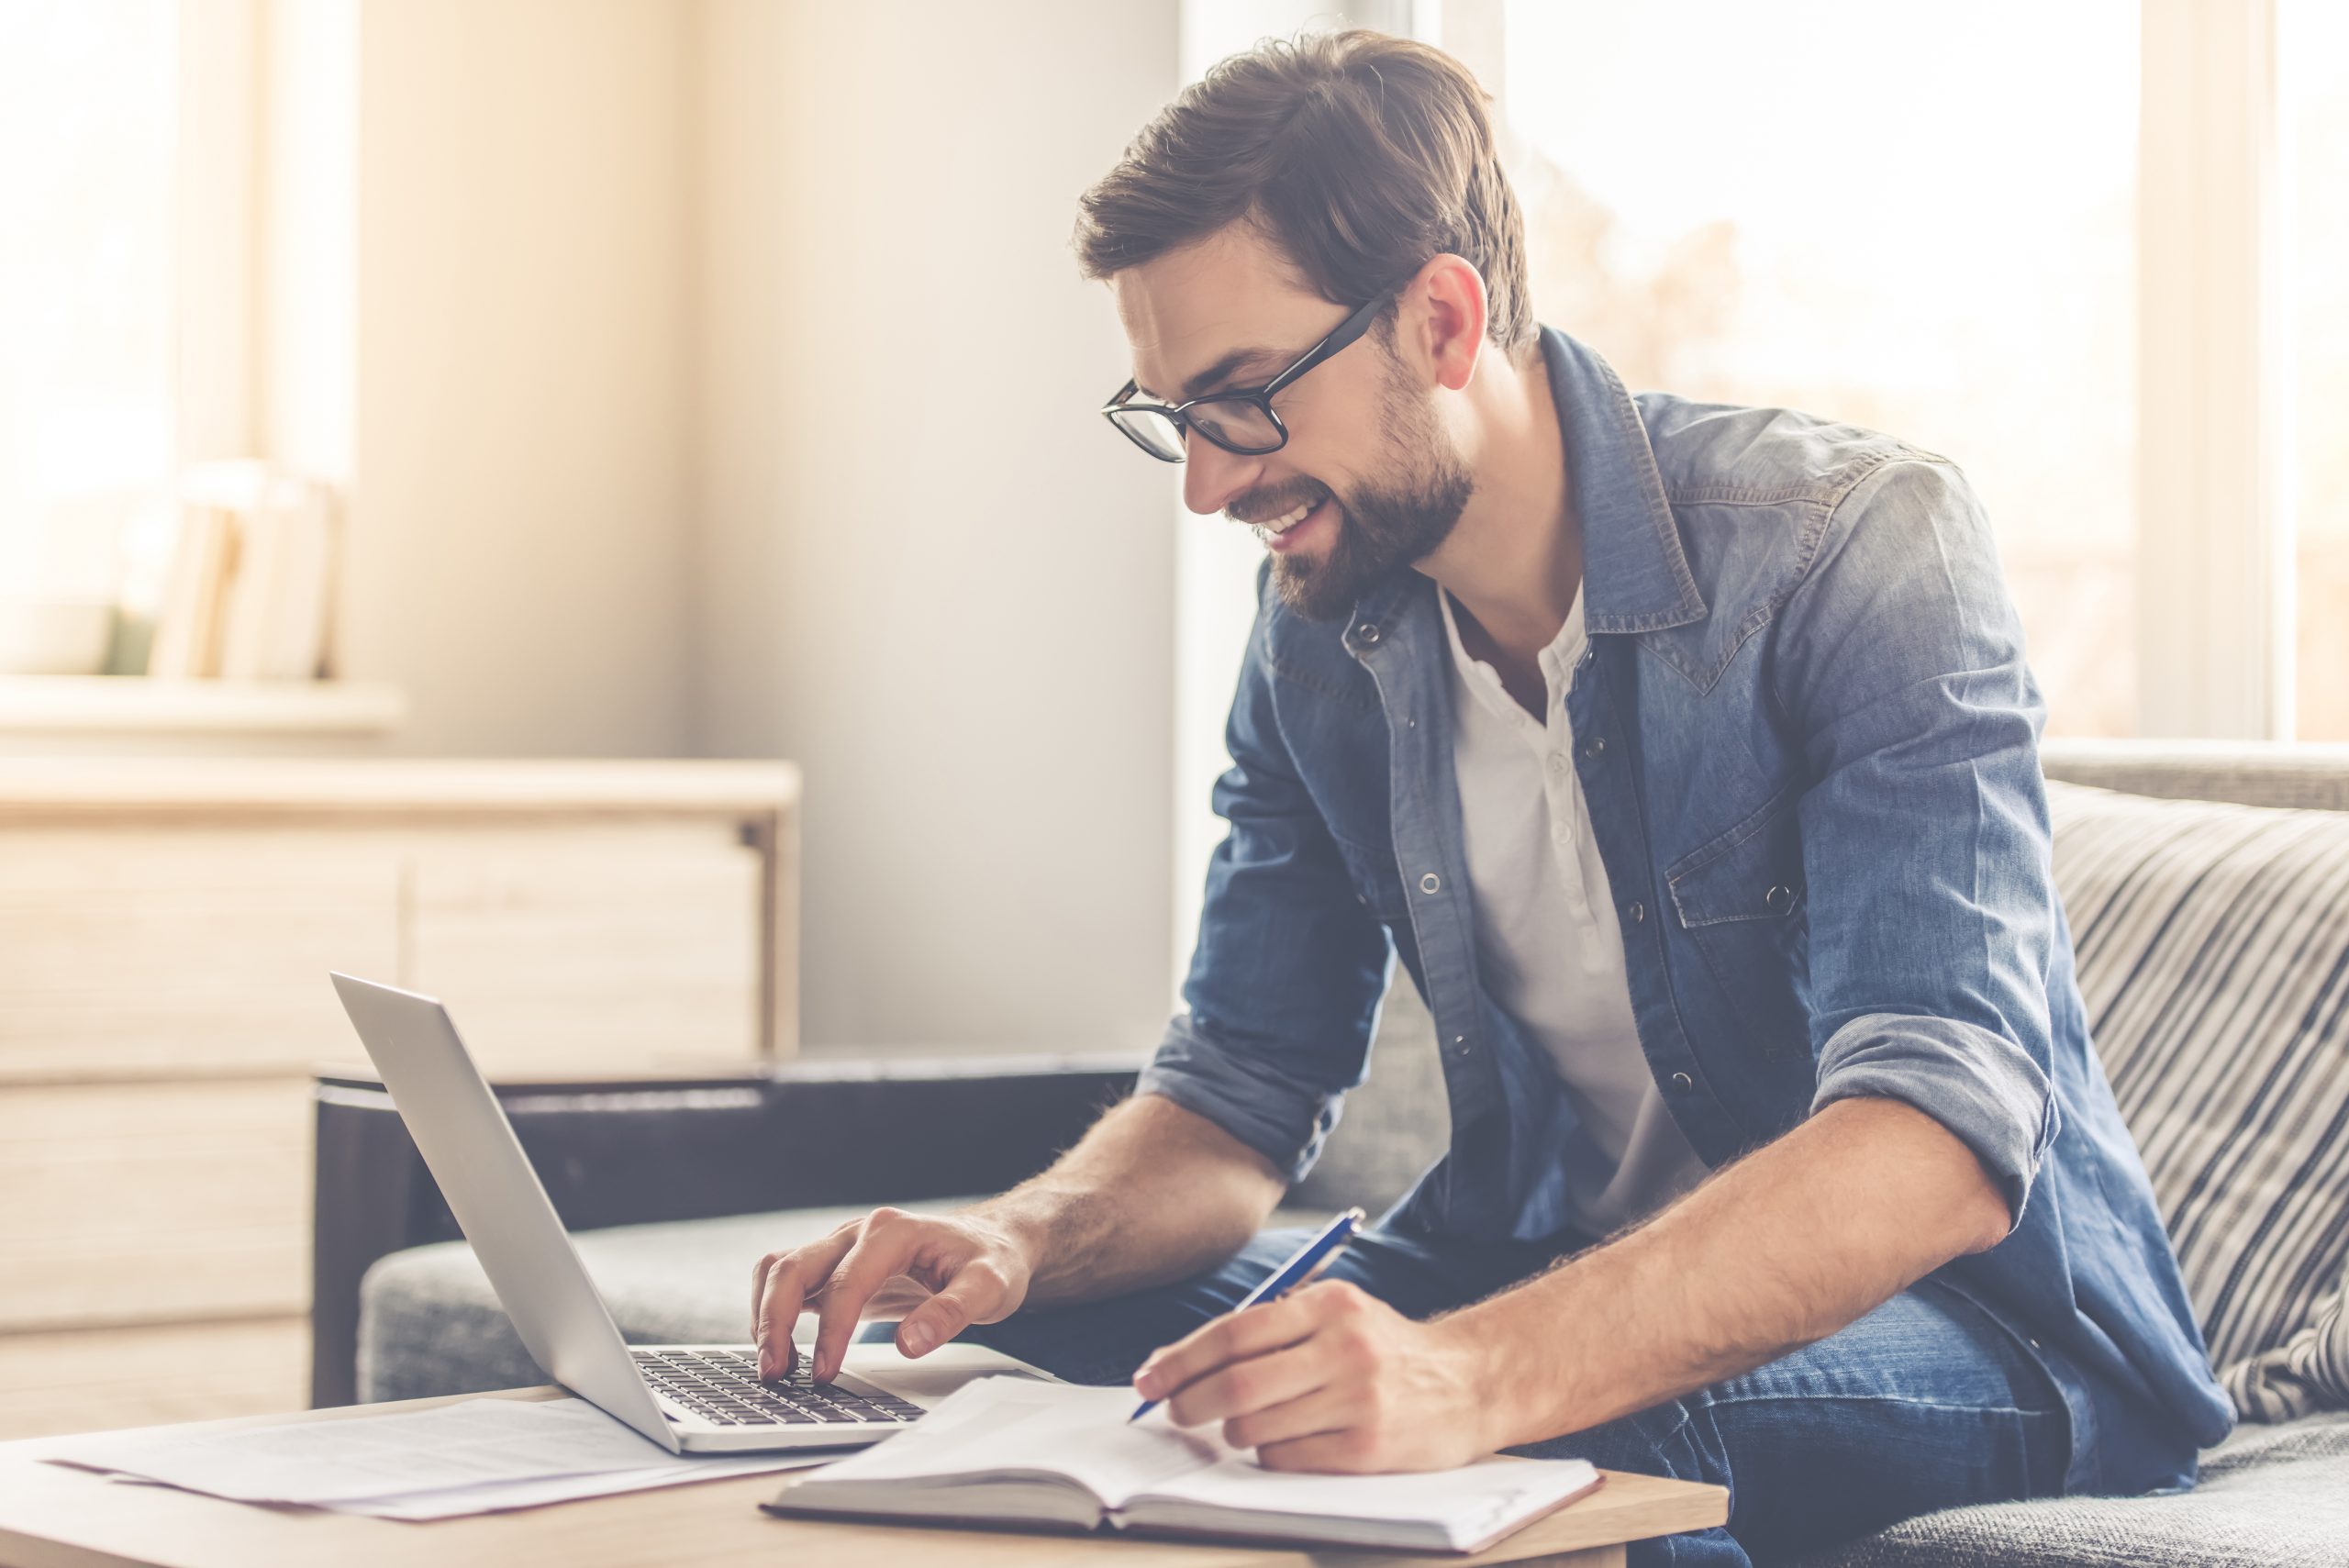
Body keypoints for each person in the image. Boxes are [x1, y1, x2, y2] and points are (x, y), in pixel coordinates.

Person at [750, 30, 2232, 1564]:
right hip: (1528, 1265)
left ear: (1444, 319)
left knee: (1560, 1434)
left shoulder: (1855, 548)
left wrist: (1467, 1368)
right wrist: (1019, 1239)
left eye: (1243, 398)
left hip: (1989, 1338)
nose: (1204, 484)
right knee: (1045, 1351)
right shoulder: (1319, 635)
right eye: (1174, 416)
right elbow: (1241, 1088)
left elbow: (1933, 1137)